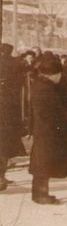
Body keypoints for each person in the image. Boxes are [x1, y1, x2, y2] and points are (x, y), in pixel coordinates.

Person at [28, 53, 67, 204]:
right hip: (47, 132)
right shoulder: (45, 89)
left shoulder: (43, 85)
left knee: (42, 164)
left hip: (44, 131)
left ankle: (39, 194)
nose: (60, 77)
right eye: (57, 75)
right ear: (50, 75)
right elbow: (54, 112)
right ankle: (41, 195)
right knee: (43, 165)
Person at [0, 44, 26, 190]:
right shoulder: (13, 64)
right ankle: (1, 176)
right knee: (3, 146)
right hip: (7, 111)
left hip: (6, 109)